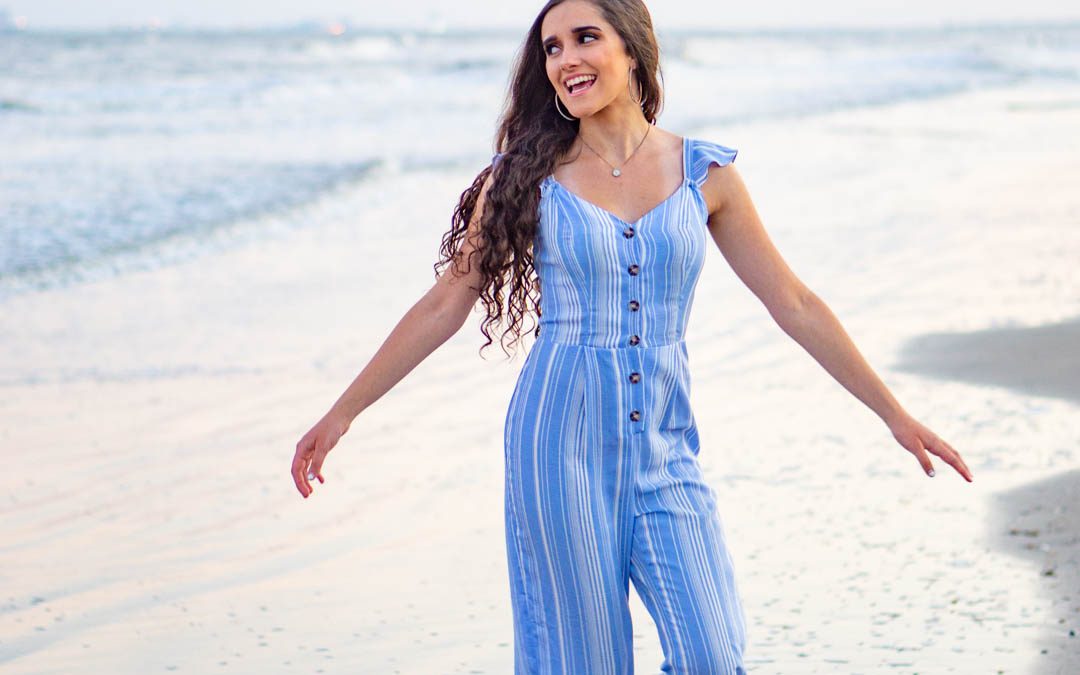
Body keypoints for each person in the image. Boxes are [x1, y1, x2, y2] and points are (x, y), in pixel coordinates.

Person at [291, 0, 975, 672]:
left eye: (584, 38)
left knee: (711, 652)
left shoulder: (704, 174)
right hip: (556, 449)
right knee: (579, 661)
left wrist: (894, 413)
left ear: (632, 47)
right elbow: (446, 303)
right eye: (551, 48)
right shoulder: (527, 179)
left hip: (665, 450)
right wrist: (343, 411)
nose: (565, 60)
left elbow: (792, 301)